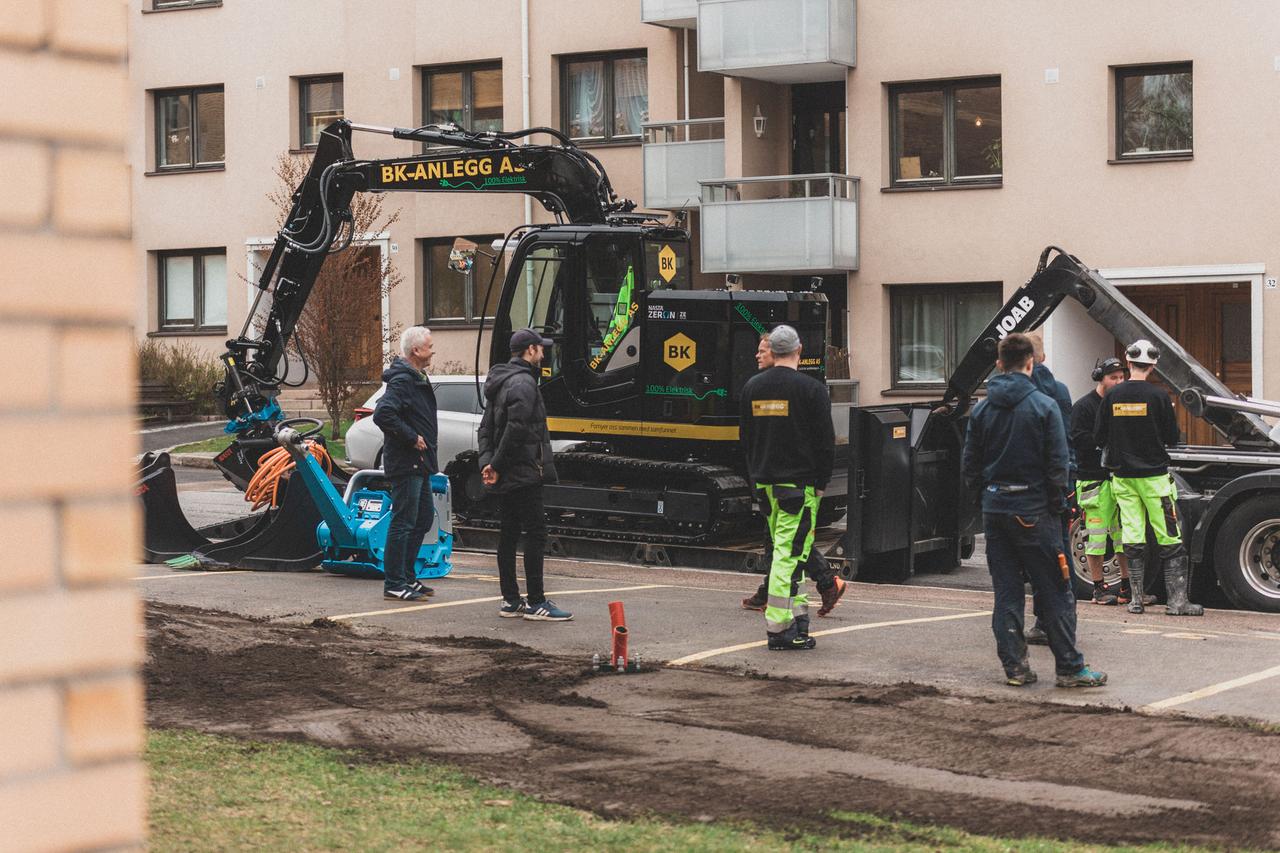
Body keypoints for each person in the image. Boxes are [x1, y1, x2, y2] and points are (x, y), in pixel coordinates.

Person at [961, 332, 1106, 688]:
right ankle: (1070, 668)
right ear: (1031, 363)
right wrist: (1059, 507)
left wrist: (988, 496)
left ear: (998, 364)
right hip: (1035, 510)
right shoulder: (1044, 406)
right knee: (1056, 588)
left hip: (996, 510)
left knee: (1007, 592)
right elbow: (1058, 464)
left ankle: (1016, 668)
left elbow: (969, 467)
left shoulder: (981, 409)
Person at [739, 325, 835, 651]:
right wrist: (821, 484)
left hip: (766, 484)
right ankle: (780, 629)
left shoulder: (752, 387)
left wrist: (756, 477)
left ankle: (799, 623)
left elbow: (747, 439)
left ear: (773, 350)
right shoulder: (811, 389)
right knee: (788, 554)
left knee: (793, 552)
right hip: (799, 486)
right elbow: (825, 443)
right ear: (799, 349)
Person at [1094, 340, 1203, 616]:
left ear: (1128, 364)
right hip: (1154, 479)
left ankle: (1135, 600)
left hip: (1123, 479)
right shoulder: (1158, 396)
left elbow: (1099, 437)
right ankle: (1177, 602)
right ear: (1153, 365)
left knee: (1132, 536)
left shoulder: (1112, 396)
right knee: (1169, 536)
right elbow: (1171, 438)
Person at [478, 328, 572, 622]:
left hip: (508, 473)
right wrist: (498, 464)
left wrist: (489, 463)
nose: (543, 354)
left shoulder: (500, 381)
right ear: (530, 351)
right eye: (540, 349)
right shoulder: (524, 383)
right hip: (524, 472)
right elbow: (517, 430)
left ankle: (511, 601)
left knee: (508, 534)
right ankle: (536, 602)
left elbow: (486, 430)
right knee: (535, 533)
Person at [1070, 357, 1155, 607]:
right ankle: (1098, 589)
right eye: (1113, 378)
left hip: (1118, 479)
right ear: (1101, 379)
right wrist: (1107, 445)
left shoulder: (1119, 402)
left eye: (1121, 377)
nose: (1118, 382)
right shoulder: (1084, 407)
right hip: (1093, 481)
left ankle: (1127, 589)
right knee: (1095, 538)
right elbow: (1078, 440)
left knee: (1123, 536)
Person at [372, 326, 440, 601]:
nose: (432, 350)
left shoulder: (416, 378)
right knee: (403, 521)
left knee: (423, 518)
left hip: (420, 463)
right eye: (429, 346)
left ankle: (408, 577)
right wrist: (412, 437)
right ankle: (394, 583)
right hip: (407, 462)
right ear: (416, 351)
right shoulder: (403, 381)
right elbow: (383, 414)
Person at [1024, 334, 1077, 645]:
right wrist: (1066, 488)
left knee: (1018, 561)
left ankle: (1035, 622)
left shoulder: (1008, 396)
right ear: (1041, 358)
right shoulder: (1060, 392)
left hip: (1020, 492)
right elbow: (1065, 443)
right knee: (1058, 557)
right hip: (1054, 487)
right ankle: (1059, 620)